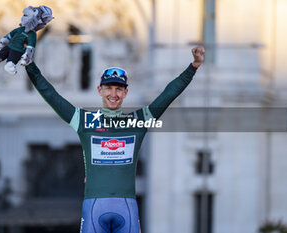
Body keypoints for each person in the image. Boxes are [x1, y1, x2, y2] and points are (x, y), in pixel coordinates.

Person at [25, 46, 205, 233]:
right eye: (108, 88)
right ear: (99, 90)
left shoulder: (138, 121)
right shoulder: (85, 121)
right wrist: (30, 66)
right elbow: (52, 96)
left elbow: (168, 95)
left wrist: (193, 67)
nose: (113, 94)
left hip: (126, 208)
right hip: (94, 207)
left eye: (119, 89)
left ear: (125, 93)